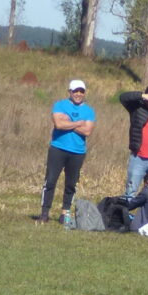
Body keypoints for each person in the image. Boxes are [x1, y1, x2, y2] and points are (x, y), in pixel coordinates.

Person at [34, 78, 95, 224]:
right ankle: (44, 212)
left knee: (71, 184)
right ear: (70, 92)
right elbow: (58, 124)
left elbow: (87, 131)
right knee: (50, 180)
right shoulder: (60, 105)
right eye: (75, 91)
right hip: (58, 148)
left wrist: (68, 122)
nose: (78, 94)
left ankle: (65, 213)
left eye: (81, 91)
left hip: (77, 152)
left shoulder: (89, 111)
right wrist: (78, 123)